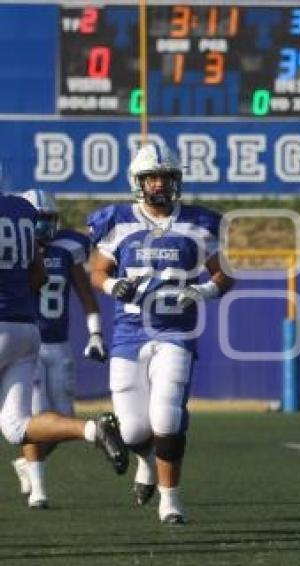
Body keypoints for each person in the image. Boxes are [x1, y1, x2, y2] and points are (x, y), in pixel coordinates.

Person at [88, 142, 234, 525]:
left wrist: (201, 290)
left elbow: (225, 274)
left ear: (176, 180)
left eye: (165, 177)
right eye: (151, 178)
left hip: (176, 333)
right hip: (129, 333)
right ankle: (145, 463)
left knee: (166, 420)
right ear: (137, 182)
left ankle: (171, 501)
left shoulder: (198, 223)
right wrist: (109, 287)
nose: (158, 185)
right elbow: (98, 271)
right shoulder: (117, 221)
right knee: (134, 428)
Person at [0, 192, 128, 489]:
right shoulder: (22, 210)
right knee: (17, 426)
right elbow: (39, 276)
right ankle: (93, 429)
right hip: (26, 331)